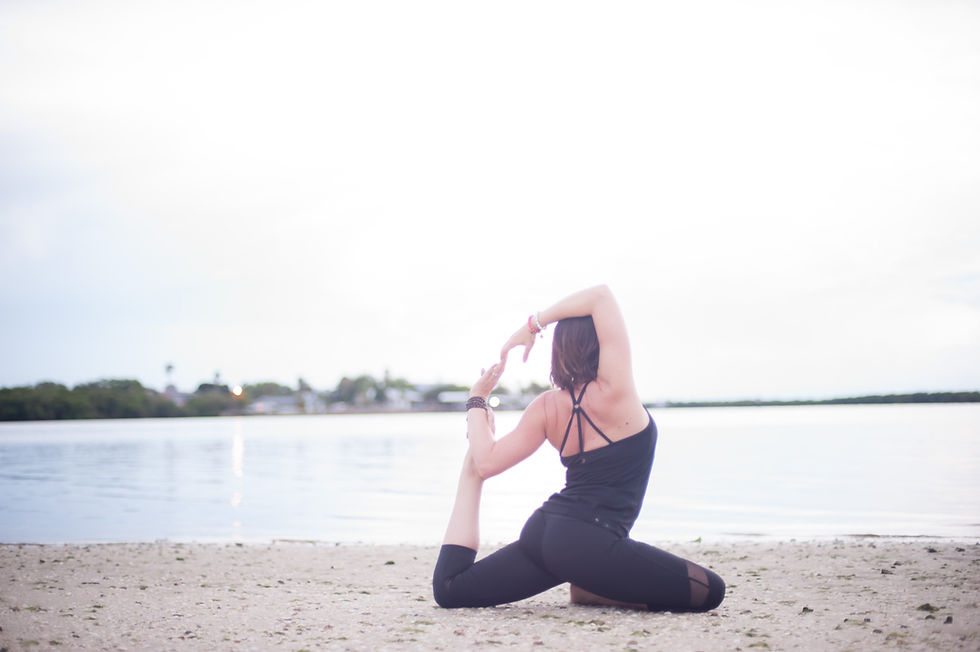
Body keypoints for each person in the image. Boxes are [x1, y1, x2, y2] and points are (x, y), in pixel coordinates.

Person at [432, 285, 725, 611]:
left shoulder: (546, 407)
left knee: (451, 589)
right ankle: (595, 587)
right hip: (589, 546)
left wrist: (477, 400)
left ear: (560, 347)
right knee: (709, 590)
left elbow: (485, 462)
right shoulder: (616, 391)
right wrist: (533, 325)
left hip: (545, 533)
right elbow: (601, 296)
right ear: (601, 343)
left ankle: (591, 585)